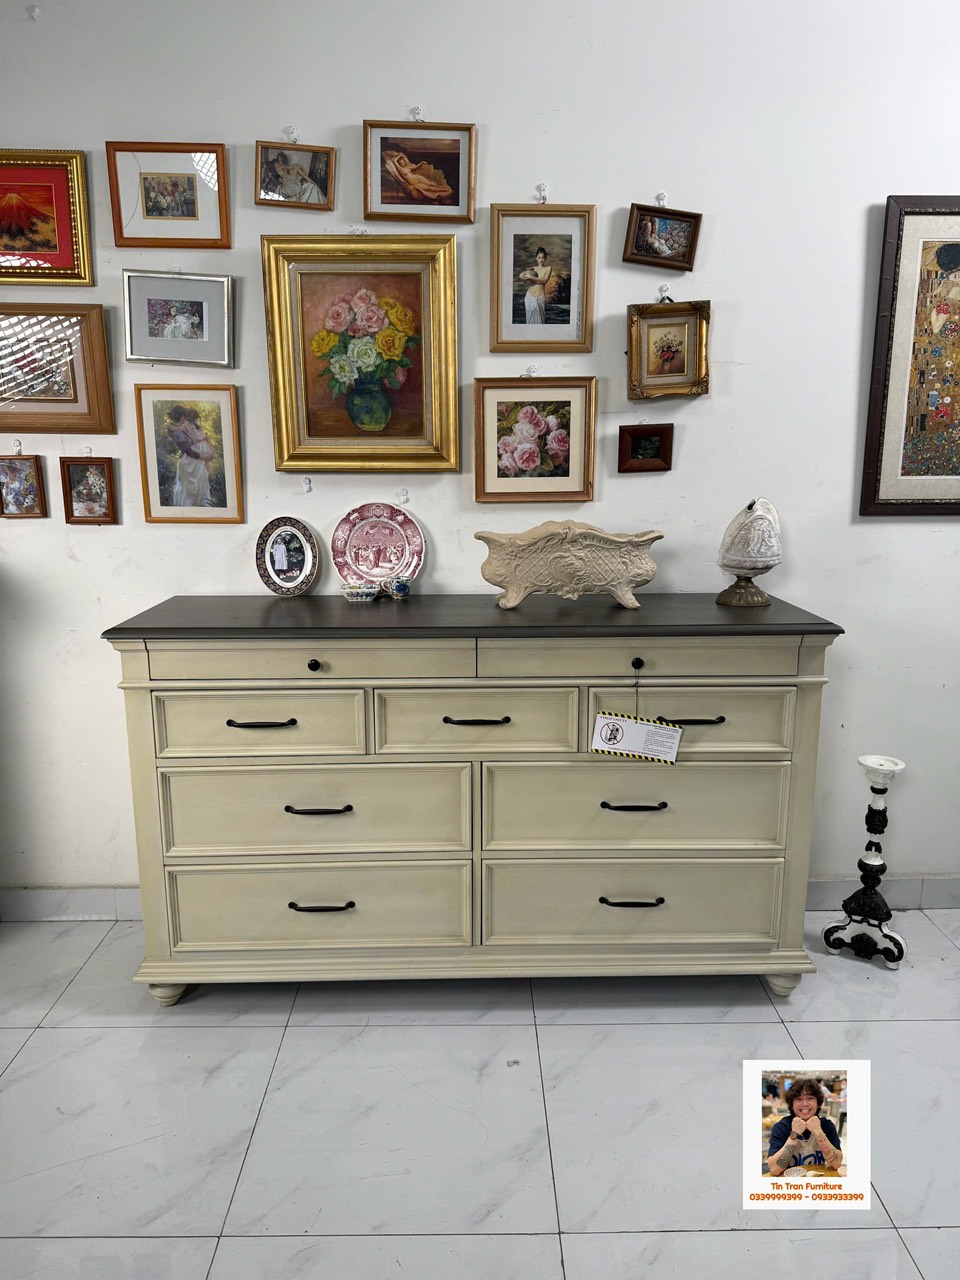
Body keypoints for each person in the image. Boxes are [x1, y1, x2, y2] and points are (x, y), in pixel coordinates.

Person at [766, 1077, 843, 1174]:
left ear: (818, 1103)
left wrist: (818, 1131)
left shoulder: (827, 1125)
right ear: (792, 1105)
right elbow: (774, 1170)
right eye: (799, 1099)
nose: (805, 1104)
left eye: (810, 1098)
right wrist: (794, 1134)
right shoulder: (781, 1127)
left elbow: (837, 1164)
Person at [166, 404, 215, 507]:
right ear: (182, 416)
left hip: (194, 460)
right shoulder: (179, 431)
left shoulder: (183, 427)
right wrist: (204, 453)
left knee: (199, 484)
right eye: (185, 416)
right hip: (190, 461)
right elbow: (189, 451)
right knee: (189, 489)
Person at [518, 246, 553, 324]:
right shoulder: (533, 269)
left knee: (540, 322)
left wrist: (531, 277)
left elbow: (544, 281)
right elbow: (521, 275)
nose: (541, 260)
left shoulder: (548, 268)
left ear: (545, 258)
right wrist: (524, 277)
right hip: (529, 297)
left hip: (540, 297)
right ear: (536, 258)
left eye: (543, 258)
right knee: (529, 322)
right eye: (539, 257)